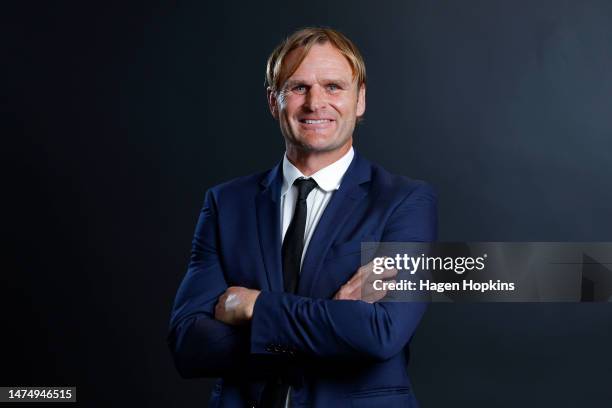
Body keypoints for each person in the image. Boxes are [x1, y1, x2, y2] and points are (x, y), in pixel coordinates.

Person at [168, 27, 437, 408]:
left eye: (333, 87)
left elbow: (381, 334)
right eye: (297, 87)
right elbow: (189, 343)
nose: (315, 103)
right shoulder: (226, 203)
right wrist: (332, 322)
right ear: (273, 102)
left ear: (360, 100)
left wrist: (254, 308)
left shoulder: (405, 203)